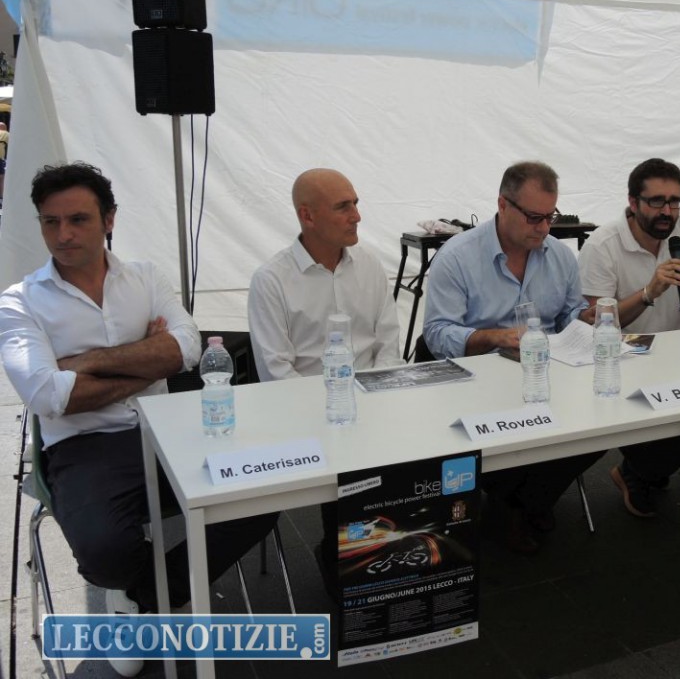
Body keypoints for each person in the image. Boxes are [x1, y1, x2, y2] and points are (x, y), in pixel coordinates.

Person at [0, 163, 278, 677]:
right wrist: (149, 358)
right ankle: (136, 588)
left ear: (109, 220)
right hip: (83, 445)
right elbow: (46, 394)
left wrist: (81, 364)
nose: (63, 234)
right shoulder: (20, 302)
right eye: (50, 222)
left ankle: (142, 598)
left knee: (260, 498)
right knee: (104, 551)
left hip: (166, 428)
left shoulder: (146, 277)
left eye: (78, 219)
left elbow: (188, 348)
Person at [423, 161, 602, 554]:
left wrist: (587, 321)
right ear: (502, 205)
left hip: (546, 374)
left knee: (602, 425)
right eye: (534, 217)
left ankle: (522, 503)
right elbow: (436, 334)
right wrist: (492, 337)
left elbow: (569, 315)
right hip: (478, 381)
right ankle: (519, 503)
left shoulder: (560, 256)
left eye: (551, 217)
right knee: (508, 428)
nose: (544, 228)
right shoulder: (457, 257)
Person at [248, 167, 402, 586]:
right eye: (343, 207)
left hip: (374, 401)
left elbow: (389, 344)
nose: (357, 216)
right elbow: (276, 374)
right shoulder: (271, 281)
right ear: (308, 216)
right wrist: (336, 412)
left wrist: (377, 400)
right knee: (354, 467)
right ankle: (349, 565)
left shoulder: (369, 266)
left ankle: (396, 561)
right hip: (309, 416)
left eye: (356, 204)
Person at [578, 157, 680, 517]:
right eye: (657, 201)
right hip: (620, 362)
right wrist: (649, 292)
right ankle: (639, 469)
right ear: (633, 203)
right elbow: (596, 325)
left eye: (675, 201)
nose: (668, 211)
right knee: (672, 432)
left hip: (674, 355)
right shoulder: (602, 245)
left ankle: (644, 468)